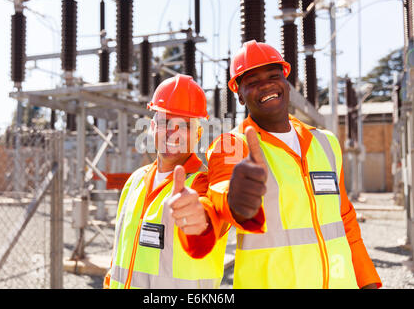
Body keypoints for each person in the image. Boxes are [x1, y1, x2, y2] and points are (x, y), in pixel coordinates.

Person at [188, 40, 382, 288]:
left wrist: (367, 281)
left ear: (286, 81)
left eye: (273, 75)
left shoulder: (326, 143)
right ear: (239, 94)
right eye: (253, 82)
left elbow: (343, 218)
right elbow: (222, 196)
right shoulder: (231, 145)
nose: (266, 84)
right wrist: (236, 202)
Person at [103, 74, 228, 289]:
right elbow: (118, 256)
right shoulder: (135, 181)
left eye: (185, 126)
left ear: (198, 134)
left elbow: (213, 216)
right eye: (165, 122)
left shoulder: (205, 185)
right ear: (152, 127)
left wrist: (203, 218)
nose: (173, 133)